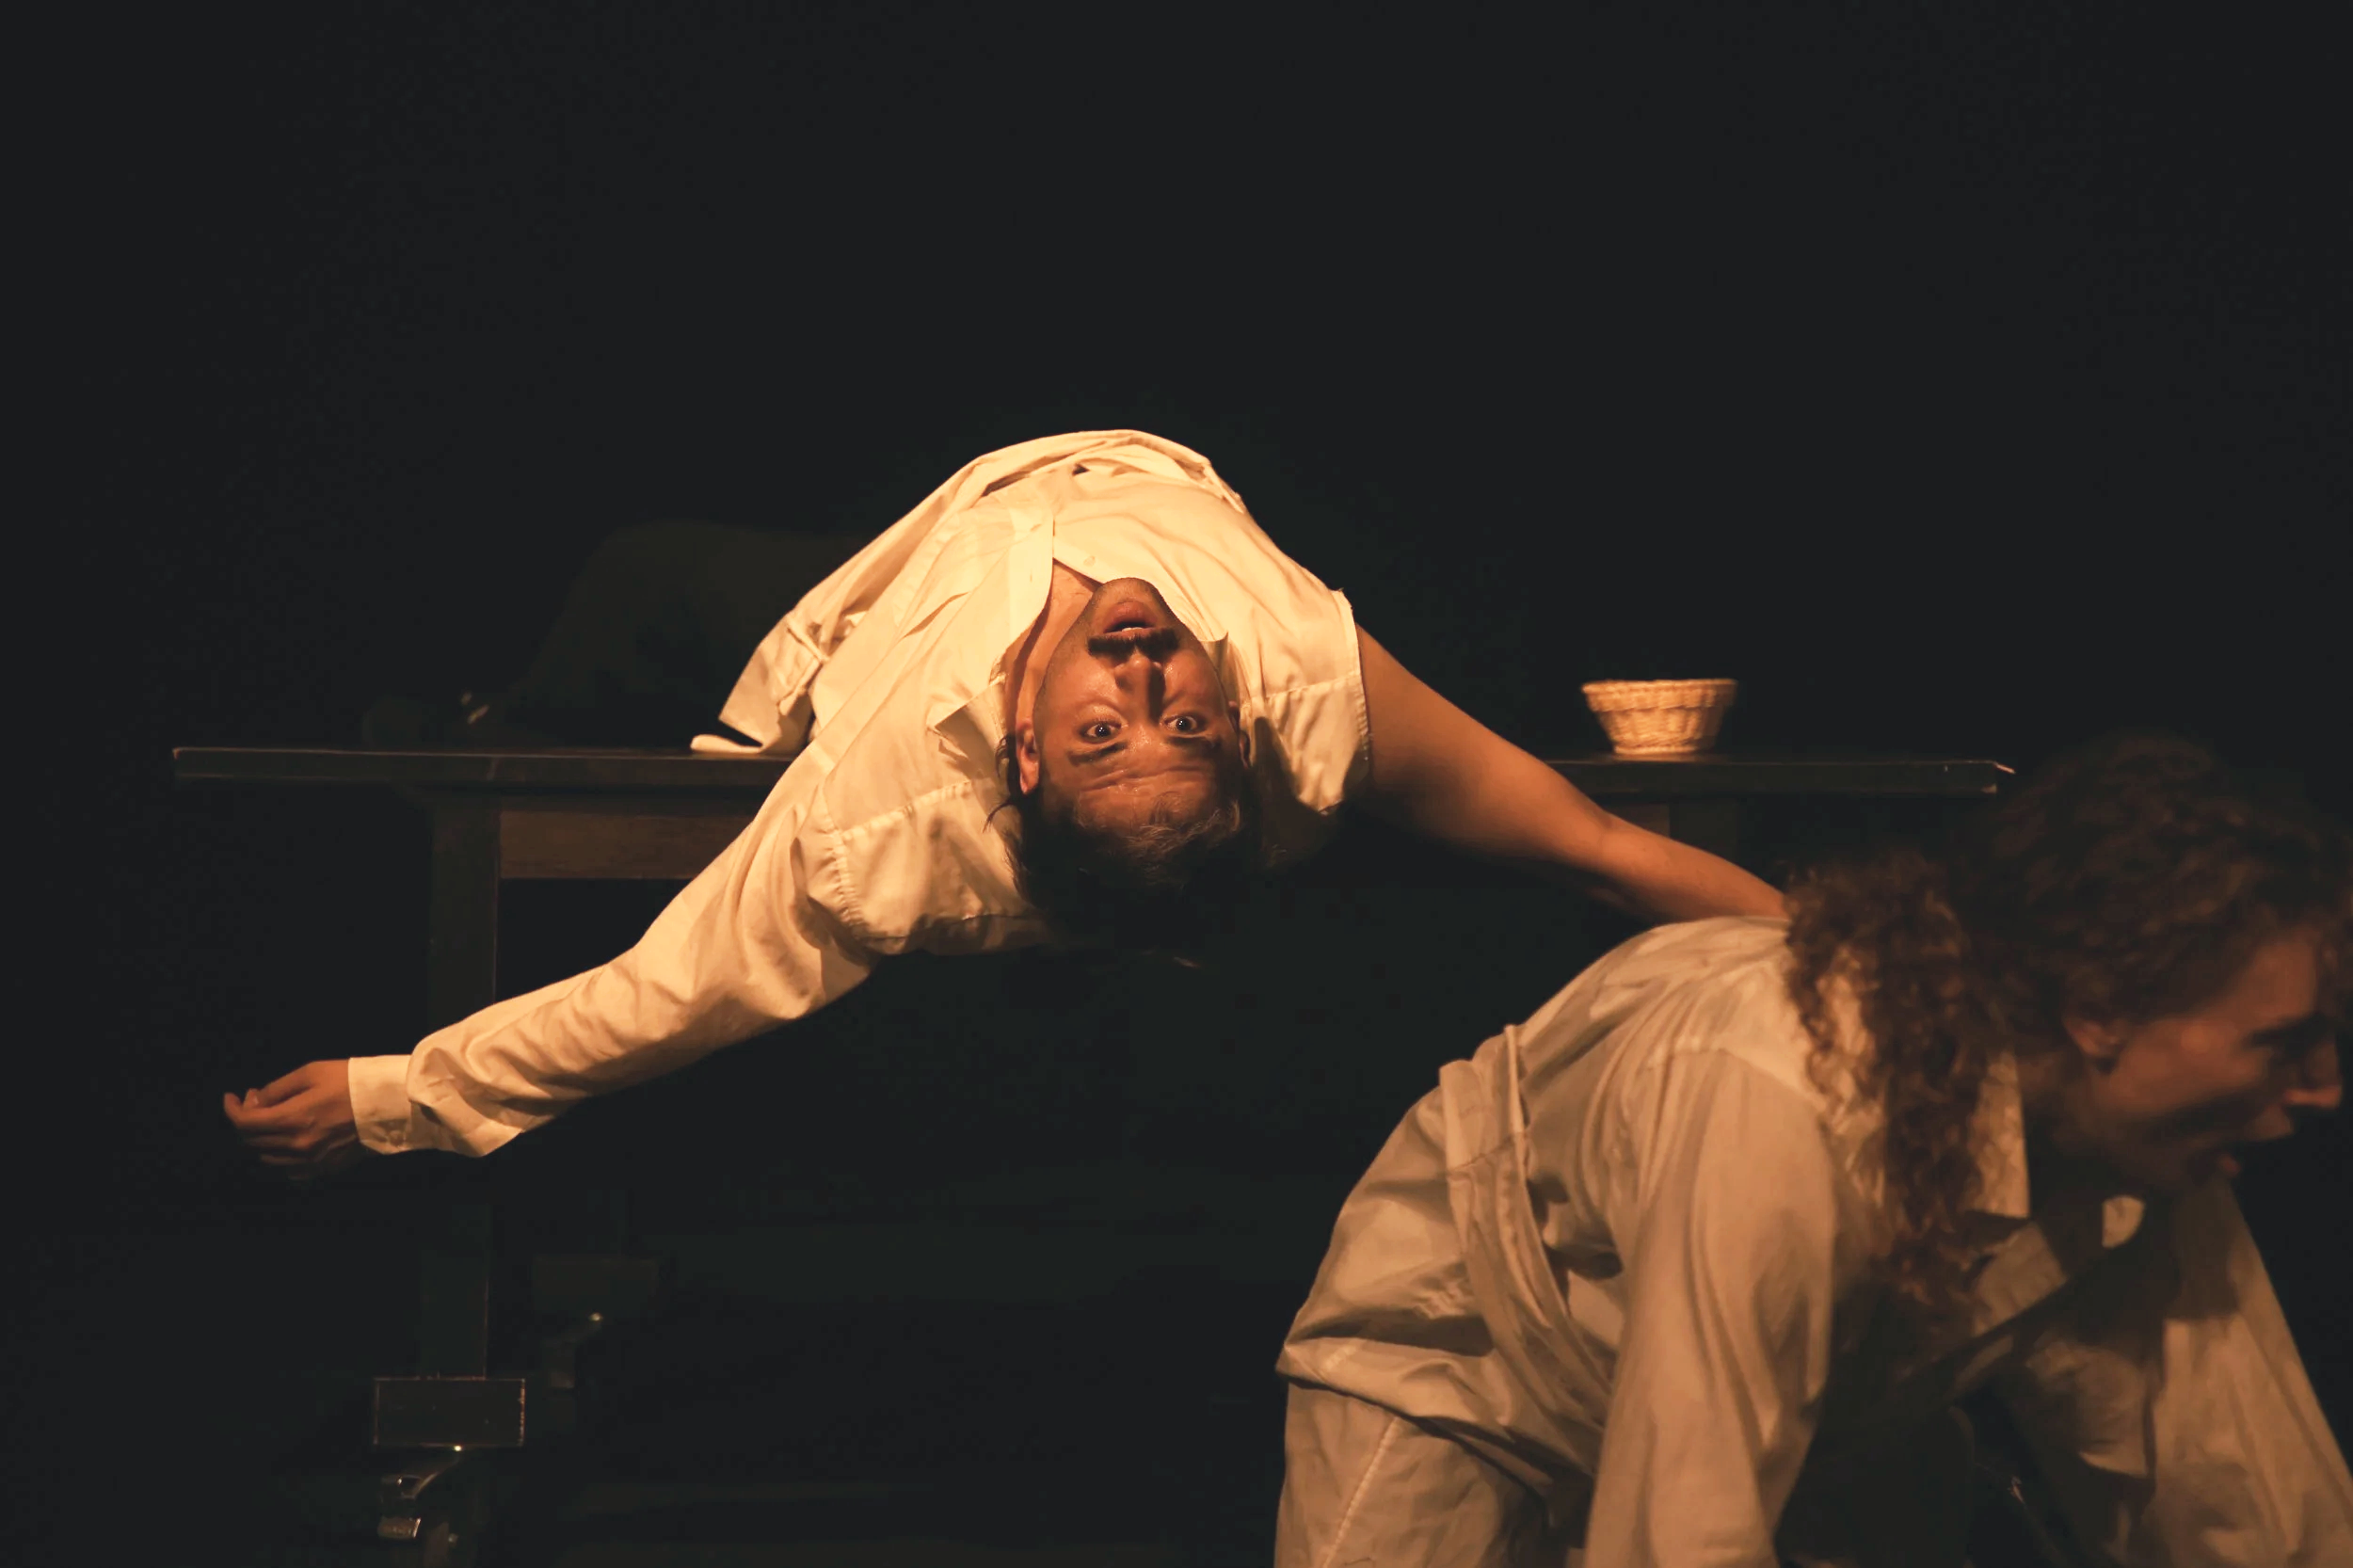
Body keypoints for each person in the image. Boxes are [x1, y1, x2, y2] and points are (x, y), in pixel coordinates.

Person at [225, 430, 1784, 1175]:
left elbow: (657, 999)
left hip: (889, 603)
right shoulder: (1315, 688)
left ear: (1027, 760)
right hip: (1043, 488)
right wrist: (1911, 963)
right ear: (1237, 731)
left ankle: (505, 728)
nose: (1143, 663)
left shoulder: (882, 806)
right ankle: (513, 712)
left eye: (1113, 728)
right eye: (1182, 715)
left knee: (649, 574)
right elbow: (1608, 849)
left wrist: (393, 1090)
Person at [1273, 730, 2350, 1567]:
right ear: (2098, 1009)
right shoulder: (1785, 1089)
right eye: (2280, 1043)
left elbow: (2249, 1503)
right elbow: (1681, 1533)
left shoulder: (2145, 1152)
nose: (2320, 1089)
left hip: (1831, 1415)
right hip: (1471, 1367)